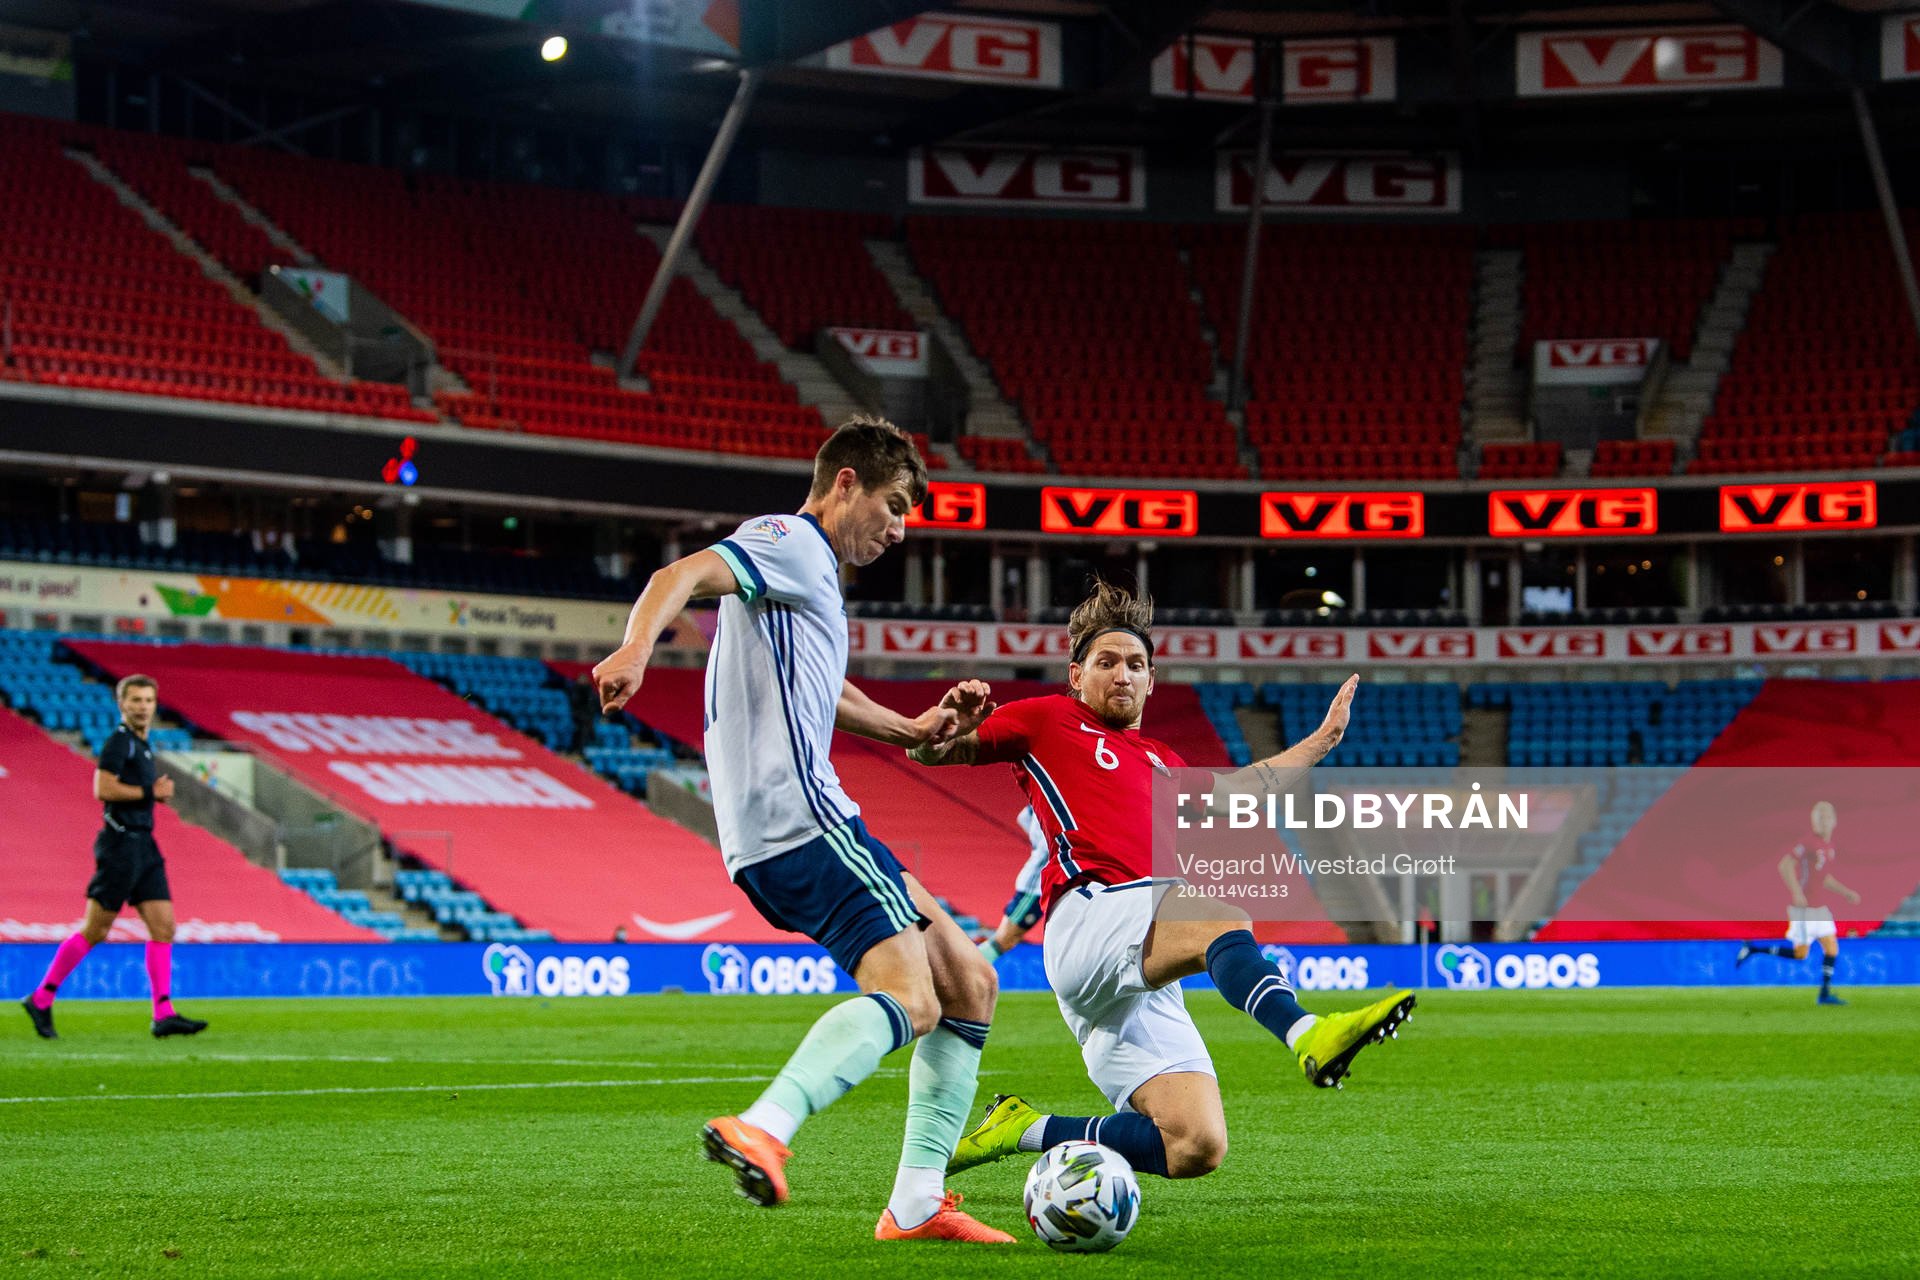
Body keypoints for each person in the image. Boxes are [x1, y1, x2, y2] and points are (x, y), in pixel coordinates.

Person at [591, 416, 1011, 1243]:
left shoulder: (807, 577)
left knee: (970, 983)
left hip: (785, 828)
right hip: (804, 819)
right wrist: (637, 649)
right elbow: (678, 572)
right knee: (911, 997)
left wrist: (918, 729)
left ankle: (919, 1204)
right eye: (893, 507)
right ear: (846, 482)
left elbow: (832, 694)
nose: (898, 529)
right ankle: (766, 1126)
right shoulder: (787, 539)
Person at [908, 581, 1414, 1183]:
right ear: (1076, 674)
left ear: (1152, 679)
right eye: (1107, 662)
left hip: (1137, 957)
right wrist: (945, 724)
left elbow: (1241, 790)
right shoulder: (1048, 719)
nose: (1122, 674)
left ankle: (1024, 1128)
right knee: (1221, 918)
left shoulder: (1160, 759)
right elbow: (930, 754)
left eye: (1136, 664)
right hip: (1089, 918)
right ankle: (1308, 1032)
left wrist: (1322, 742)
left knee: (1194, 1144)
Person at [20, 674, 209, 1040]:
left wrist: (149, 796)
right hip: (120, 845)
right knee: (96, 929)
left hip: (144, 844)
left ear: (155, 705)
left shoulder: (144, 745)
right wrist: (149, 792)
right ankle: (42, 998)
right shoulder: (118, 743)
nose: (142, 707)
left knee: (164, 926)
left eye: (148, 700)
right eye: (135, 700)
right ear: (121, 704)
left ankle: (163, 1013)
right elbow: (102, 788)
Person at [1736, 800, 1862, 1005]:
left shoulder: (1829, 846)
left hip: (1820, 908)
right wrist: (1796, 892)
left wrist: (1846, 892)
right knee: (1800, 954)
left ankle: (1824, 994)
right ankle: (1753, 949)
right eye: (1818, 817)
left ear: (1834, 821)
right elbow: (1785, 865)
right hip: (1804, 910)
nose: (1822, 821)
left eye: (1826, 817)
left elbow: (1824, 878)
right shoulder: (1808, 843)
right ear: (1813, 821)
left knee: (1832, 948)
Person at [977, 807, 1048, 964]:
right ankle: (964, 971)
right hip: (1035, 886)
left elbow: (1023, 817)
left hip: (1049, 882)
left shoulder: (1044, 797)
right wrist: (1041, 847)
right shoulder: (1059, 802)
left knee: (1009, 939)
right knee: (1005, 939)